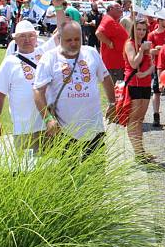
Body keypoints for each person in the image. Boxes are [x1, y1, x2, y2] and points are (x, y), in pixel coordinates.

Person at [33, 21, 116, 161]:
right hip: (64, 131)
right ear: (60, 39)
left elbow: (106, 77)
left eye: (77, 39)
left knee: (96, 173)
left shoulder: (91, 52)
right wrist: (48, 119)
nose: (73, 43)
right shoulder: (50, 58)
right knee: (68, 176)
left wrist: (112, 103)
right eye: (69, 40)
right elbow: (38, 91)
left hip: (94, 129)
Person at [0, 20, 49, 152]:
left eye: (31, 35)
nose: (27, 39)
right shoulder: (9, 63)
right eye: (22, 36)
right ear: (15, 39)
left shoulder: (46, 57)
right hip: (24, 128)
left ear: (36, 38)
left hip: (49, 125)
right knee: (27, 168)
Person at [124, 17, 155, 161]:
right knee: (134, 119)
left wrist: (147, 73)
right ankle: (138, 152)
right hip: (134, 84)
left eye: (144, 29)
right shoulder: (130, 44)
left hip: (146, 84)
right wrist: (142, 50)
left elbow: (153, 65)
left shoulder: (146, 44)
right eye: (139, 29)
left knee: (140, 119)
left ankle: (141, 151)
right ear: (133, 29)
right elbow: (133, 62)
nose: (141, 32)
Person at [96, 2, 128, 82]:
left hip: (118, 62)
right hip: (114, 63)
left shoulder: (112, 20)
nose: (121, 10)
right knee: (116, 88)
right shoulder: (108, 20)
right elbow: (98, 33)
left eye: (121, 8)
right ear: (110, 9)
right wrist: (109, 43)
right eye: (117, 8)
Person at [148, 18, 165, 128]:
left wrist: (160, 48)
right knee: (156, 91)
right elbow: (151, 51)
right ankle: (156, 115)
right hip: (158, 66)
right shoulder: (152, 35)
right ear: (160, 21)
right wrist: (163, 49)